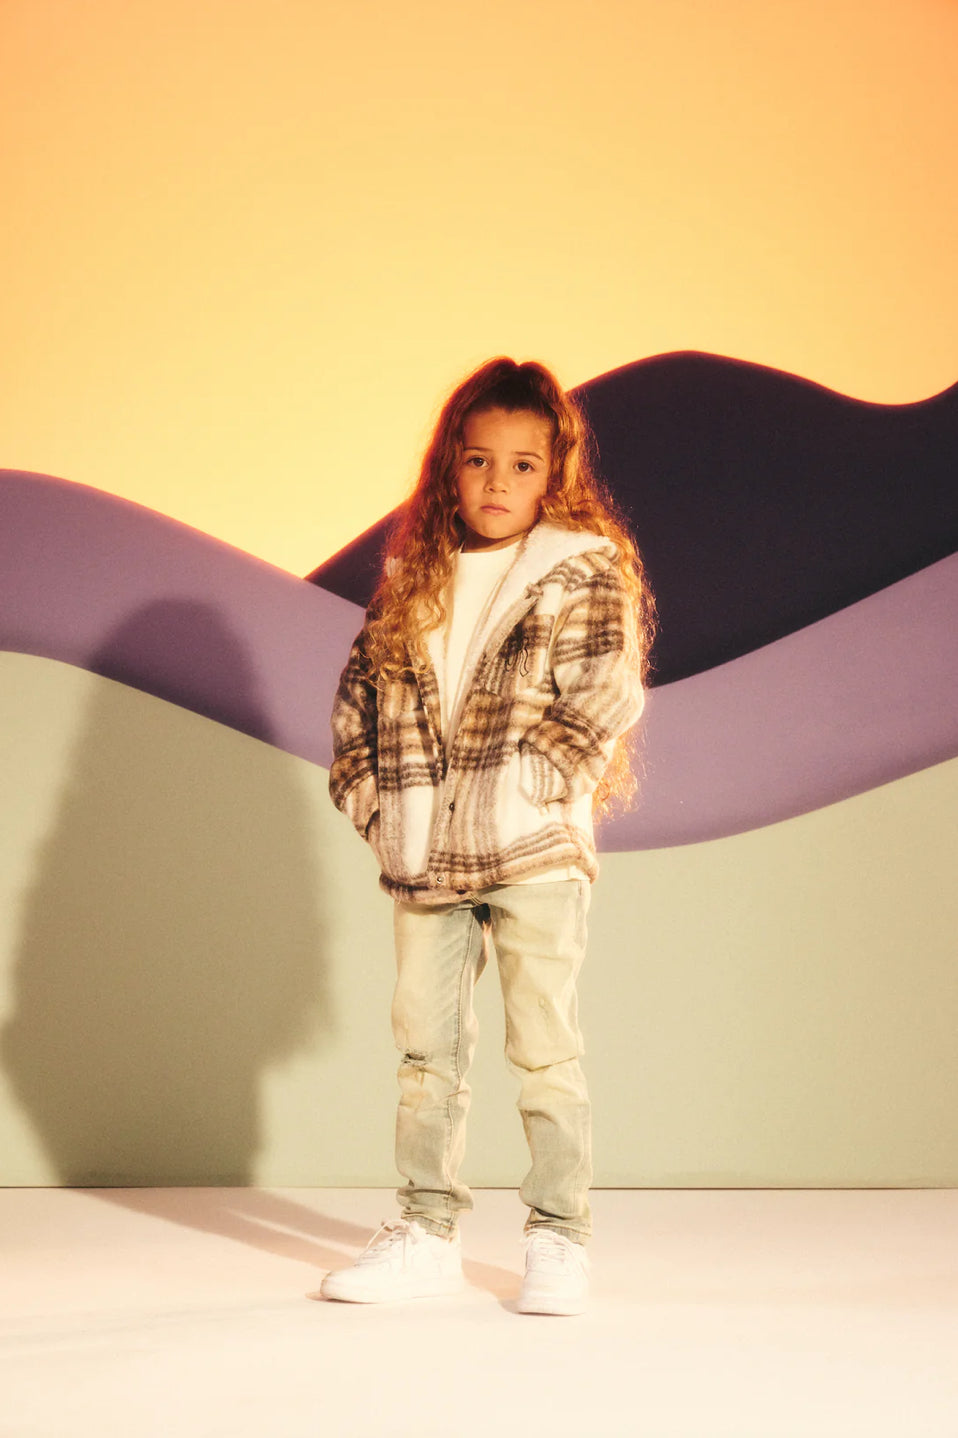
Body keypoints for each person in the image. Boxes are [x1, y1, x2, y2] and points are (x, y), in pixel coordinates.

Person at [322, 357, 653, 1314]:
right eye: (478, 461)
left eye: (522, 464)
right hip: (424, 856)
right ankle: (426, 1233)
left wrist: (535, 785)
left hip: (533, 851)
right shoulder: (410, 582)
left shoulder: (581, 568)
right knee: (426, 1057)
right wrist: (375, 805)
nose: (497, 482)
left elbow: (606, 686)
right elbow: (355, 709)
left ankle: (559, 1238)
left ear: (554, 475)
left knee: (545, 1051)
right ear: (450, 469)